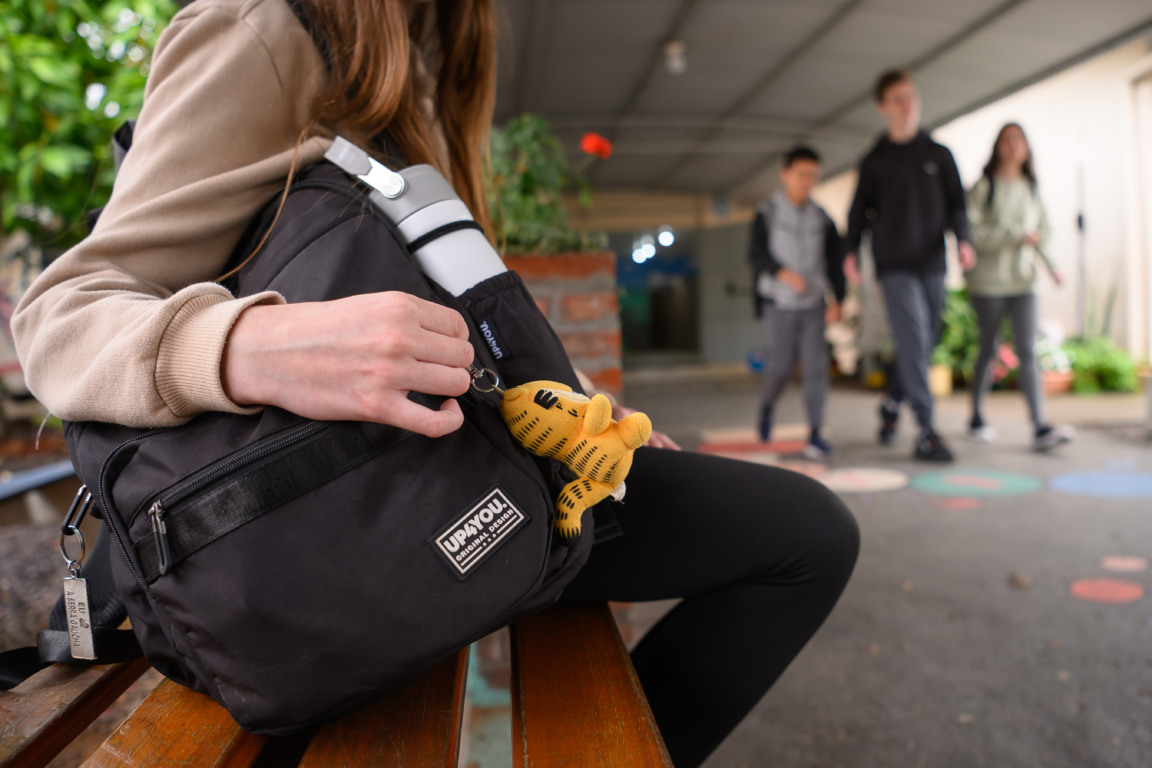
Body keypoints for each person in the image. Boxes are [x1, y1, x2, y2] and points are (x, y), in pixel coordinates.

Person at [11, 2, 859, 765]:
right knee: (806, 538)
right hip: (309, 532)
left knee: (804, 534)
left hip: (452, 474)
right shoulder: (264, 28)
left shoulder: (423, 55)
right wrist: (256, 343)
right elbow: (59, 317)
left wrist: (581, 403)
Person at [844, 68, 976, 462]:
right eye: (898, 99)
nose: (908, 106)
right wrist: (851, 251)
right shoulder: (875, 161)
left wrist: (964, 240)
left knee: (925, 340)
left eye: (912, 97)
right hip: (894, 265)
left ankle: (891, 404)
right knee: (915, 339)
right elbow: (858, 213)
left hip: (933, 262)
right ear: (883, 107)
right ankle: (926, 430)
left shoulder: (938, 153)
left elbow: (958, 205)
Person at [965, 123, 1073, 451]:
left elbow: (1042, 234)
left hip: (1024, 281)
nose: (1014, 145)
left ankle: (1040, 427)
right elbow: (973, 235)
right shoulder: (984, 188)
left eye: (1019, 139)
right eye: (1007, 139)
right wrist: (1014, 235)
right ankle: (977, 416)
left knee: (1027, 350)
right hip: (988, 283)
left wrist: (1053, 268)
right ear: (997, 145)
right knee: (989, 348)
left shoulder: (1031, 188)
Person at [748, 145, 845, 459]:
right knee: (780, 368)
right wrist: (782, 273)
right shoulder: (767, 213)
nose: (807, 181)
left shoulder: (822, 217)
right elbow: (755, 254)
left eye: (813, 176)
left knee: (816, 369)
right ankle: (766, 408)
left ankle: (816, 433)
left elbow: (835, 260)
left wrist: (838, 299)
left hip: (814, 304)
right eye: (802, 174)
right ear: (785, 174)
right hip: (779, 303)